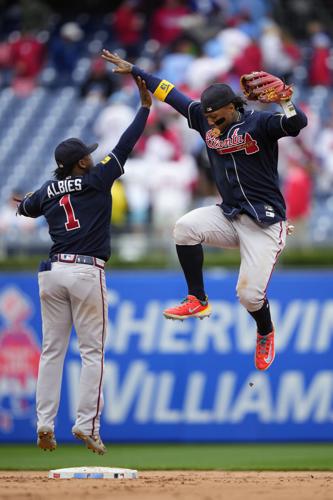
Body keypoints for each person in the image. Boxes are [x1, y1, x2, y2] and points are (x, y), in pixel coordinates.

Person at [101, 49, 308, 372]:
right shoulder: (202, 117)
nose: (209, 121)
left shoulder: (261, 122)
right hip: (230, 214)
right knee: (184, 227)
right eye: (207, 116)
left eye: (216, 115)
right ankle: (197, 298)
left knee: (249, 296)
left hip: (265, 222)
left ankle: (265, 330)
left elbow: (297, 124)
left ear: (231, 106)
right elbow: (170, 93)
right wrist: (136, 70)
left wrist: (285, 101)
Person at [16, 76, 151, 454]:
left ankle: (44, 423)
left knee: (51, 352)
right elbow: (125, 145)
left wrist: (27, 201)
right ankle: (86, 424)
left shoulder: (46, 189)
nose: (93, 155)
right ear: (80, 162)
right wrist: (144, 108)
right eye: (88, 154)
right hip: (86, 271)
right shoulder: (96, 178)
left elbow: (25, 209)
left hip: (53, 272)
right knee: (92, 352)